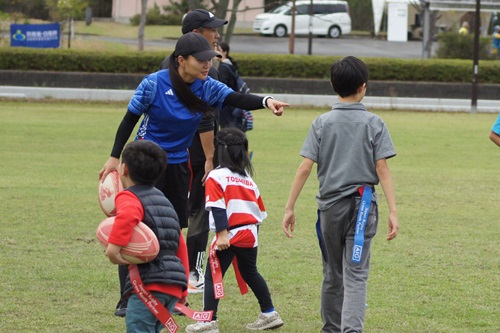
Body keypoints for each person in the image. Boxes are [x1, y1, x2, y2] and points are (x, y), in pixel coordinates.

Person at [99, 32, 288, 313]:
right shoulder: (153, 84)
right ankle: (128, 298)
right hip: (145, 161)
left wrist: (267, 101)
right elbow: (130, 119)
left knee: (173, 230)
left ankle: (175, 296)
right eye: (200, 60)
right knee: (135, 227)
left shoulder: (207, 87)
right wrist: (115, 157)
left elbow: (237, 98)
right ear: (181, 60)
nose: (206, 65)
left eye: (209, 60)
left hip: (176, 164)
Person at [281, 56, 399, 333]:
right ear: (363, 87)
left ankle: (331, 328)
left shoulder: (322, 122)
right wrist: (393, 211)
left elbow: (304, 168)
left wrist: (289, 207)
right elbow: (382, 169)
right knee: (356, 275)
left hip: (329, 210)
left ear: (334, 86)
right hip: (363, 206)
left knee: (333, 274)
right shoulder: (374, 123)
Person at [185, 128, 284, 333]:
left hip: (229, 233)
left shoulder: (216, 176)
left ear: (220, 151)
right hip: (250, 232)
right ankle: (269, 313)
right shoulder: (248, 179)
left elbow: (218, 206)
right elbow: (260, 212)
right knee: (250, 272)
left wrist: (221, 234)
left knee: (213, 275)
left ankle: (208, 322)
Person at [160, 9, 227, 295]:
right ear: (196, 33)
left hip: (169, 153)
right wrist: (212, 157)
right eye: (212, 29)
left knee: (167, 212)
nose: (217, 35)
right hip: (197, 153)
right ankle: (194, 273)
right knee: (199, 211)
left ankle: (166, 270)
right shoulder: (203, 68)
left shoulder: (169, 64)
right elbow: (206, 117)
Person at [104, 139, 189, 332]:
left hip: (150, 283)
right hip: (173, 285)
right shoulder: (166, 202)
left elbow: (126, 216)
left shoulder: (128, 196)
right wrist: (183, 286)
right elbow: (179, 244)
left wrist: (113, 248)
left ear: (123, 169)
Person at [217, 41, 248, 130]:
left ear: (225, 52)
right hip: (233, 103)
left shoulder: (223, 68)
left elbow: (222, 86)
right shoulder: (230, 65)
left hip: (226, 104)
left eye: (218, 50)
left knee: (227, 129)